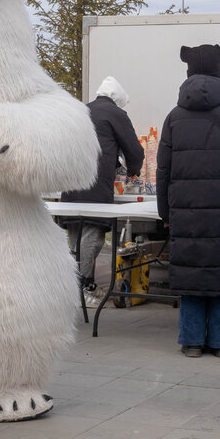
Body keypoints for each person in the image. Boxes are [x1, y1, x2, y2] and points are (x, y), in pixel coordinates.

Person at [156, 45, 220, 357]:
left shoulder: (175, 116)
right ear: (219, 71)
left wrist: (165, 212)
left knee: (190, 270)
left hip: (186, 209)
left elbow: (163, 169)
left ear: (188, 72)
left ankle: (191, 341)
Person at [61, 76, 144, 305]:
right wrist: (133, 171)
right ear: (117, 100)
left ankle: (71, 286)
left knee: (76, 239)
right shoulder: (116, 114)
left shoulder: (81, 110)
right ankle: (82, 290)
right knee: (93, 237)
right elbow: (134, 150)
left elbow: (96, 144)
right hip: (94, 184)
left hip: (71, 184)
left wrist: (115, 163)